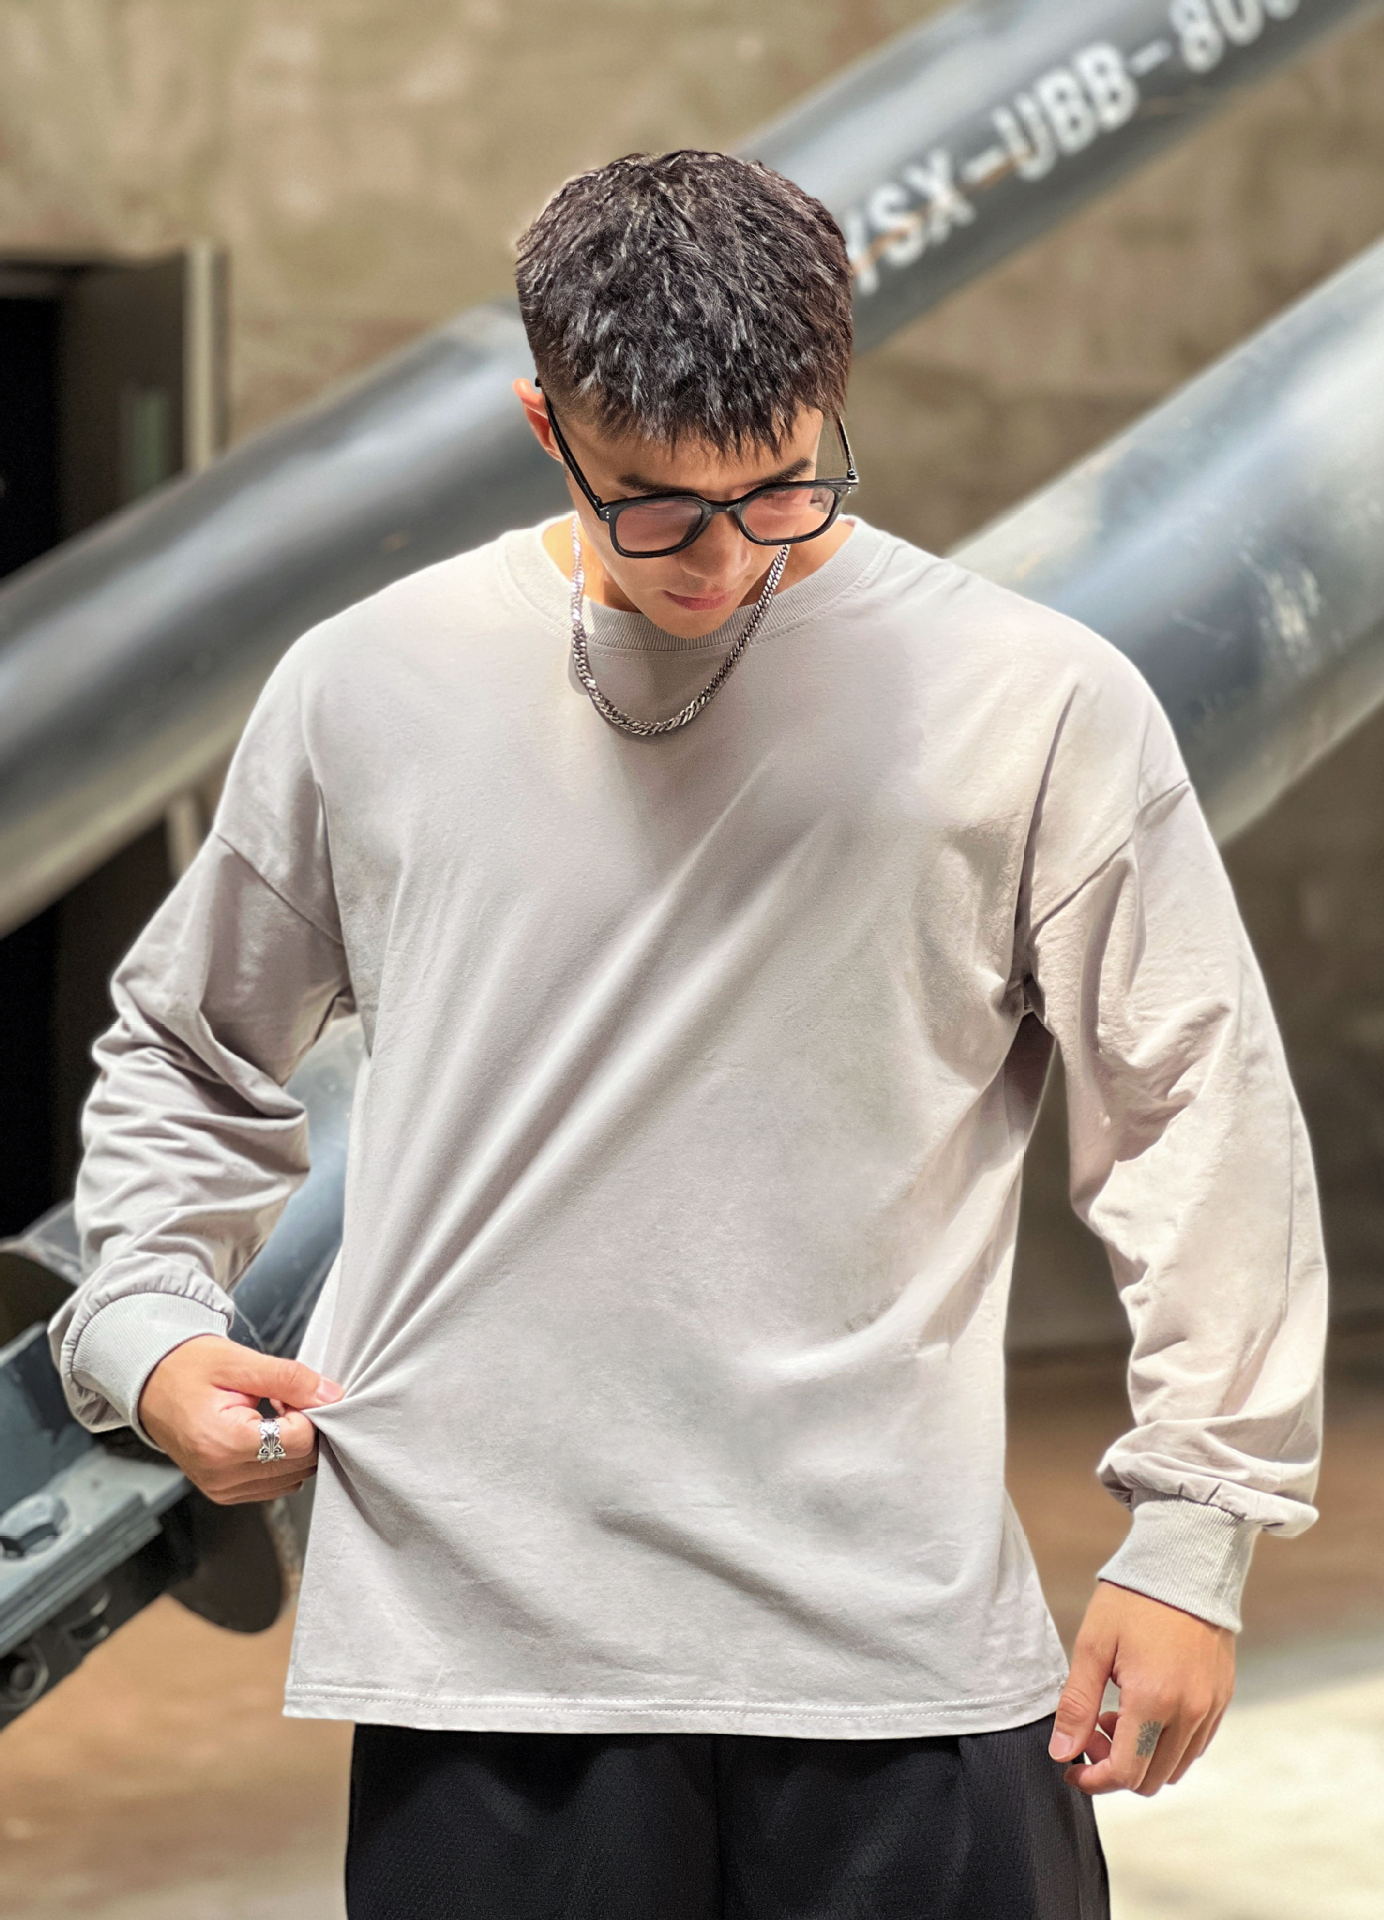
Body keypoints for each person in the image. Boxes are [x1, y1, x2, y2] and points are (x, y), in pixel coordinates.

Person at [48, 149, 1327, 1919]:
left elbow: (1196, 1106)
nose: (723, 558)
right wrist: (141, 1326)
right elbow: (189, 1046)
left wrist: (1197, 1531)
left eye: (780, 486)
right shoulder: (370, 685)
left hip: (892, 1648)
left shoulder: (1033, 701)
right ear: (545, 425)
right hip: (485, 1659)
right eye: (656, 504)